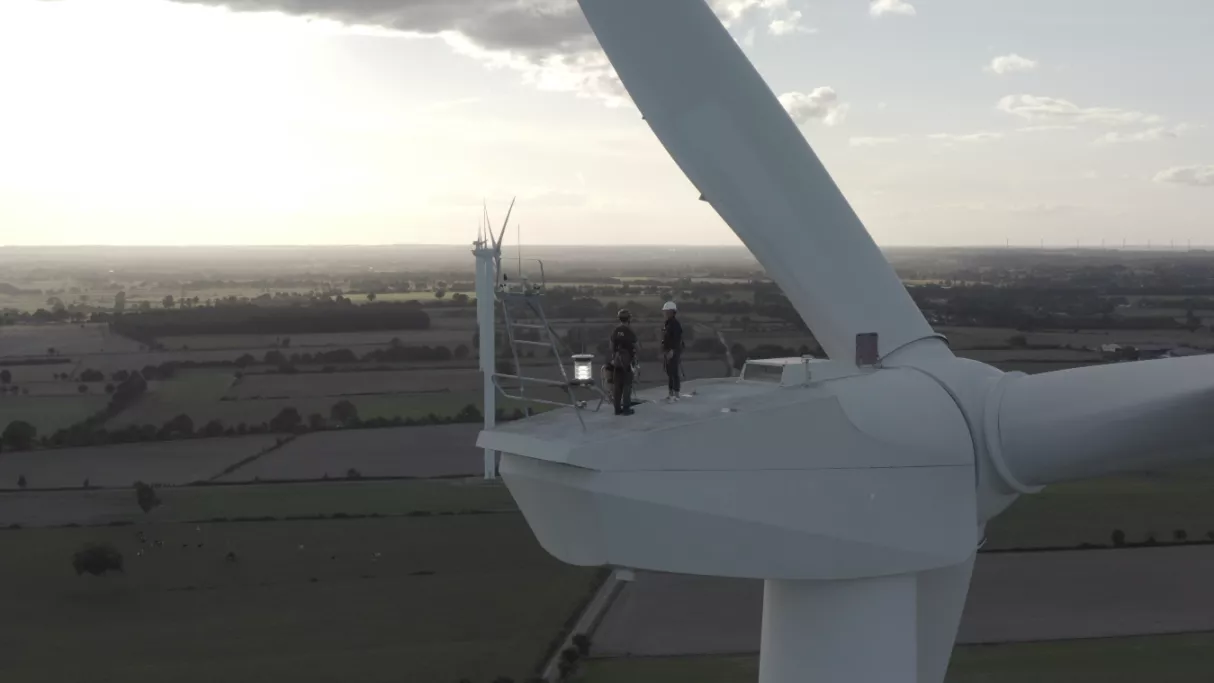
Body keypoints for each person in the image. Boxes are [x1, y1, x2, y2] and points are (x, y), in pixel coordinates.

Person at [609, 308, 638, 415]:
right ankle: (626, 409)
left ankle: (617, 409)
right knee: (627, 385)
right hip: (627, 363)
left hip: (617, 362)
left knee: (617, 386)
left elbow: (611, 346)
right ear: (629, 319)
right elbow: (637, 346)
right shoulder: (629, 331)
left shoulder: (615, 330)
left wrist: (615, 355)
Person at [661, 301, 684, 400]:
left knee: (674, 372)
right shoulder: (668, 323)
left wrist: (672, 351)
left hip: (673, 351)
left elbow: (676, 339)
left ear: (671, 312)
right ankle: (670, 393)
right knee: (669, 372)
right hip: (668, 351)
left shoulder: (675, 324)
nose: (664, 313)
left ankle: (676, 393)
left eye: (666, 311)